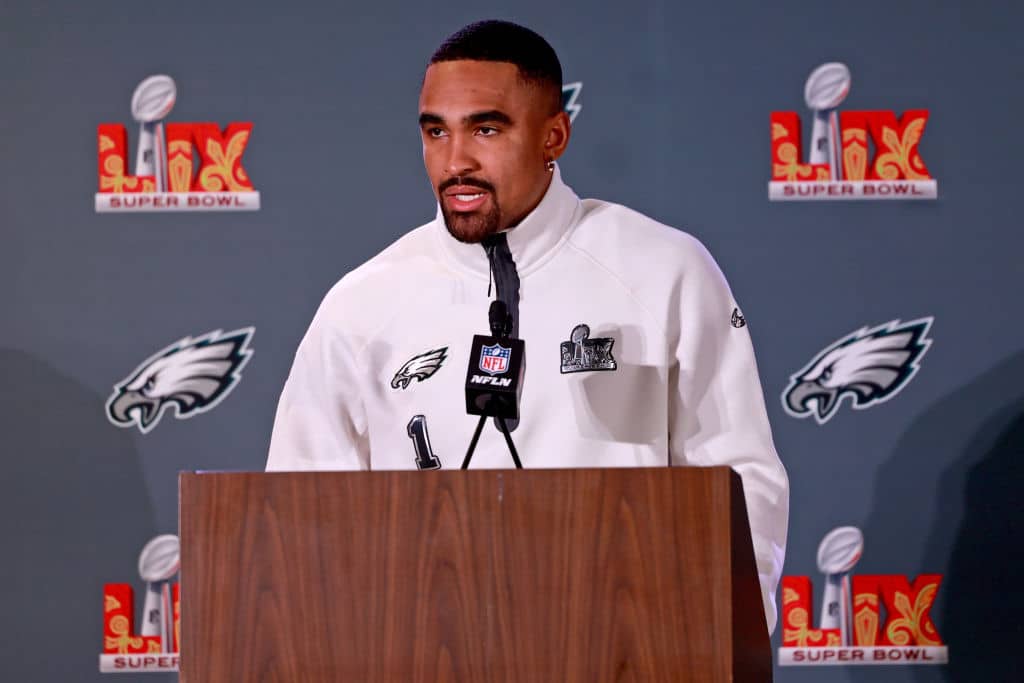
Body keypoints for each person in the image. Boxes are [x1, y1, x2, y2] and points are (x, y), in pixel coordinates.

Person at [267, 19, 788, 634]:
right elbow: (299, 518)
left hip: (624, 652)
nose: (455, 160)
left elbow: (737, 486)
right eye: (436, 131)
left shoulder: (662, 270)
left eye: (486, 128)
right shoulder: (361, 302)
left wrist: (712, 642)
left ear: (554, 135)